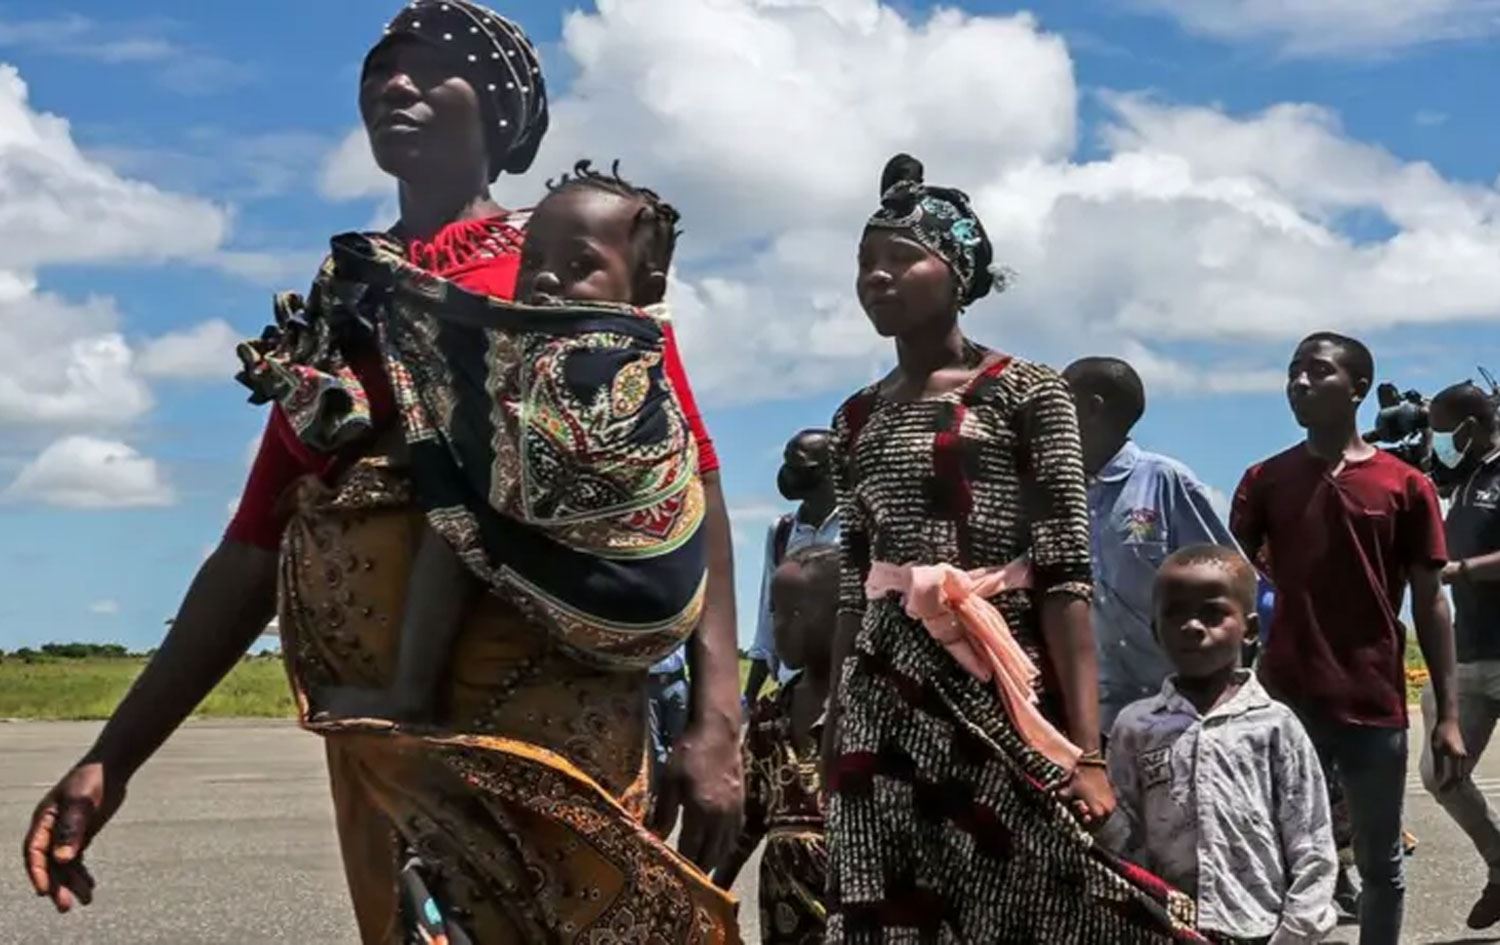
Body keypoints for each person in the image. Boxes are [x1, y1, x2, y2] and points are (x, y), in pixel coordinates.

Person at [20, 6, 744, 942]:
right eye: (378, 70)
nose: (392, 84)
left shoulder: (564, 278)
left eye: (431, 66)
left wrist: (717, 717)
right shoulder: (344, 305)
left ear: (499, 109)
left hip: (544, 720)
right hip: (386, 748)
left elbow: (695, 487)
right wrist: (112, 758)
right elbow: (250, 547)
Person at [822, 153, 1205, 943]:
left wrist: (1088, 750)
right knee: (887, 891)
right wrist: (833, 717)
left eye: (902, 257)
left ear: (957, 274)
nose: (877, 277)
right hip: (883, 688)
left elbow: (1067, 573)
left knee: (1034, 884)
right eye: (866, 263)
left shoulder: (1027, 392)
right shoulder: (853, 419)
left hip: (999, 677)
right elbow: (852, 585)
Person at [310, 161, 699, 725]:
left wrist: (397, 290)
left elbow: (466, 375)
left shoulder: (588, 359)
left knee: (458, 499)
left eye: (580, 266)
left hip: (618, 598)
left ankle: (409, 695)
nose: (543, 279)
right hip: (667, 605)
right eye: (533, 260)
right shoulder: (646, 357)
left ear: (646, 289)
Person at [1231, 331, 1468, 945]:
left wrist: (1447, 717)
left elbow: (1431, 601)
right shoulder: (1266, 481)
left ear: (1358, 389)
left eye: (1318, 372)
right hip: (1284, 700)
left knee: (1380, 864)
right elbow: (1234, 583)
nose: (1300, 384)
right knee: (1279, 859)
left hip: (1372, 701)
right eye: (1292, 373)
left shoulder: (1404, 486)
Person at [1106, 544, 1337, 945]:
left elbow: (1311, 840)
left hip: (1261, 930)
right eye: (1175, 613)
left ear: (1248, 629)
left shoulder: (1275, 726)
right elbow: (1123, 835)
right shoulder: (1135, 726)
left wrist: (1296, 932)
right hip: (1168, 928)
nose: (1193, 626)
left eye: (1212, 613)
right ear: (1155, 630)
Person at [1063, 356, 1240, 731]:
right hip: (1094, 717)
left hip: (1178, 711)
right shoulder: (1058, 491)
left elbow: (1230, 582)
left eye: (1060, 403)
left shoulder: (1164, 482)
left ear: (1091, 409)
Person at [717, 545, 838, 943]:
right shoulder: (770, 714)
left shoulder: (866, 712)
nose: (780, 626)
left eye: (797, 613)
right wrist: (715, 893)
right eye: (774, 612)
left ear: (845, 616)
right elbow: (749, 819)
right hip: (782, 917)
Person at [1424, 382, 1500, 929]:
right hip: (1470, 653)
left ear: (1471, 428)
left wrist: (1465, 570)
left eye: (1444, 428)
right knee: (1441, 774)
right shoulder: (1464, 475)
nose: (1439, 440)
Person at [745, 429, 840, 705]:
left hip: (843, 687)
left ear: (831, 470)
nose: (788, 473)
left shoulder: (859, 528)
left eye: (799, 466)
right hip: (792, 687)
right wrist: (749, 697)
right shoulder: (782, 531)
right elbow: (768, 612)